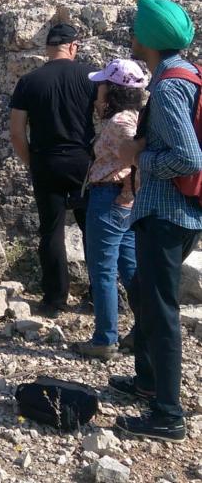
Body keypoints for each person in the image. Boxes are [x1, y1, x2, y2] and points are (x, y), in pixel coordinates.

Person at [112, 0, 202, 443]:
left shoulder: (168, 87)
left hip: (166, 215)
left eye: (134, 30)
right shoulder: (185, 76)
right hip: (179, 213)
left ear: (146, 38)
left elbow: (187, 157)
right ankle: (147, 381)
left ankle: (167, 414)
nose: (130, 36)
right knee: (148, 297)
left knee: (161, 310)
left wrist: (139, 155)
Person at [9, 23, 96, 317]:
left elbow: (17, 133)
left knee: (51, 231)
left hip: (46, 161)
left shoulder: (29, 81)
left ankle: (54, 299)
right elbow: (105, 118)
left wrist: (32, 162)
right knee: (92, 229)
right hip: (84, 162)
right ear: (73, 47)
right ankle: (99, 296)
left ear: (48, 48)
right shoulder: (90, 77)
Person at [74, 59, 146, 360]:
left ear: (113, 90)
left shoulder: (119, 124)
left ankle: (105, 339)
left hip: (110, 198)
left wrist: (129, 189)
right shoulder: (136, 117)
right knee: (130, 267)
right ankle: (145, 328)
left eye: (102, 84)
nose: (98, 89)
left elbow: (138, 158)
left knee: (103, 269)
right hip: (125, 201)